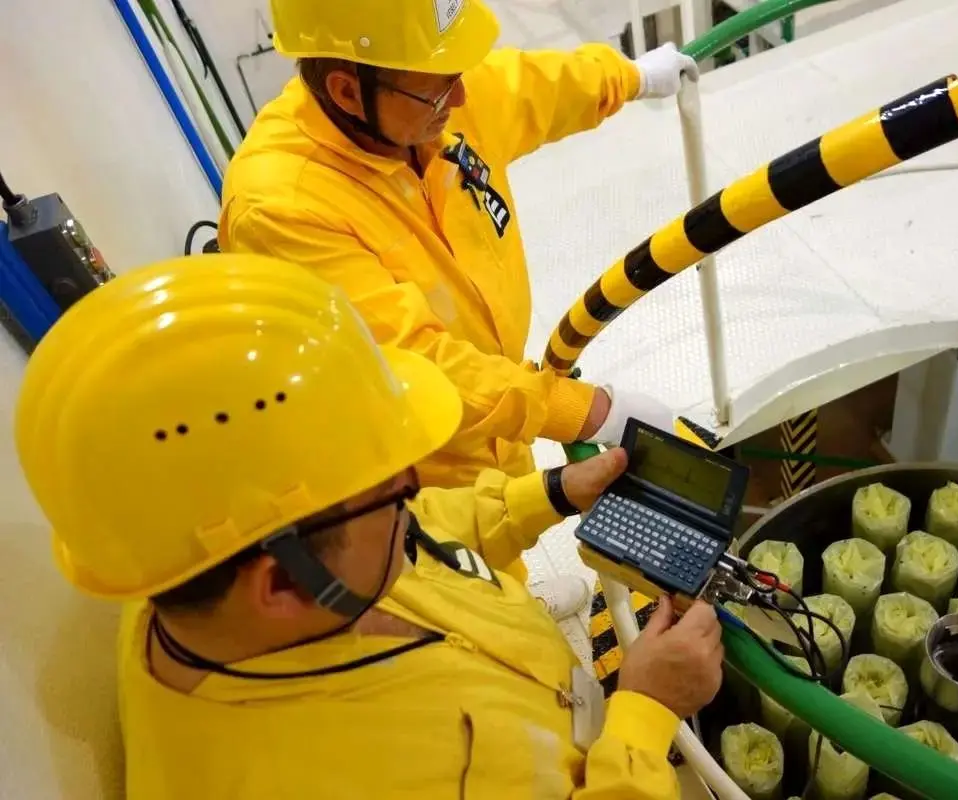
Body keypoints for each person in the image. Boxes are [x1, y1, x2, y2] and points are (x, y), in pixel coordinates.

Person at [15, 253, 724, 799]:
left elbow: (415, 531)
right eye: (387, 489)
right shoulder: (302, 776)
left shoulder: (203, 550)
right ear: (280, 583)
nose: (414, 487)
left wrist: (550, 493)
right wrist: (644, 714)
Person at [218, 0, 694, 617]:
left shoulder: (421, 106)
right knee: (458, 567)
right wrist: (586, 410)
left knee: (502, 519)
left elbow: (531, 88)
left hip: (494, 397)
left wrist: (629, 77)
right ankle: (506, 615)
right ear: (347, 89)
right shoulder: (283, 206)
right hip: (414, 450)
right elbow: (410, 364)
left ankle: (514, 589)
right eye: (439, 89)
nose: (463, 97)